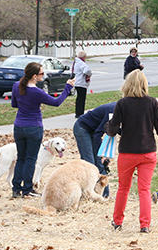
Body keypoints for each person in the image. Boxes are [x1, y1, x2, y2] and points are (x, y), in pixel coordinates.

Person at [105, 70, 158, 233]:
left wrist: (108, 128)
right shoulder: (152, 102)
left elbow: (112, 129)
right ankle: (144, 224)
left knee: (123, 188)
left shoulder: (122, 104)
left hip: (127, 152)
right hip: (148, 152)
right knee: (144, 189)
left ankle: (117, 221)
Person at [11, 62, 75, 198]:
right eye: (41, 73)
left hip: (18, 126)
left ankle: (16, 188)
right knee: (30, 159)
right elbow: (56, 102)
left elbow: (14, 104)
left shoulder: (17, 86)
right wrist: (68, 87)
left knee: (21, 158)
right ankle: (27, 189)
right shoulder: (37, 92)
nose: (43, 75)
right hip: (33, 127)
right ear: (34, 76)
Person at [72, 101, 116, 196]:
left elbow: (117, 131)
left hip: (94, 131)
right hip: (82, 128)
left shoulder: (122, 112)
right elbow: (98, 134)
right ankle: (87, 194)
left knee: (100, 164)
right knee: (90, 163)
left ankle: (104, 195)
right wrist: (102, 155)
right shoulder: (111, 112)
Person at [72, 50, 92, 118]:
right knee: (81, 99)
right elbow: (87, 70)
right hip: (81, 82)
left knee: (79, 98)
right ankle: (80, 113)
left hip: (77, 82)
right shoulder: (81, 63)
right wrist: (89, 74)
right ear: (84, 56)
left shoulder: (76, 62)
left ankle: (78, 112)